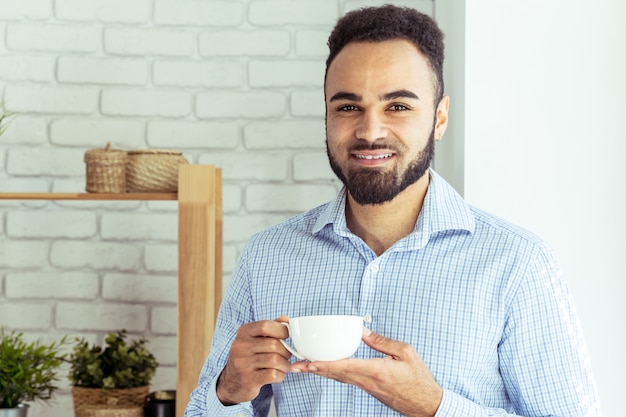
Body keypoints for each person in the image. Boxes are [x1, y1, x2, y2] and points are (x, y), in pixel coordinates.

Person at [185, 5, 600, 417]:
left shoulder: (518, 264)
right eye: (348, 107)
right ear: (326, 117)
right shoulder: (266, 256)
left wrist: (434, 406)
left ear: (439, 119)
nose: (370, 131)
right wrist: (229, 390)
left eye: (398, 106)